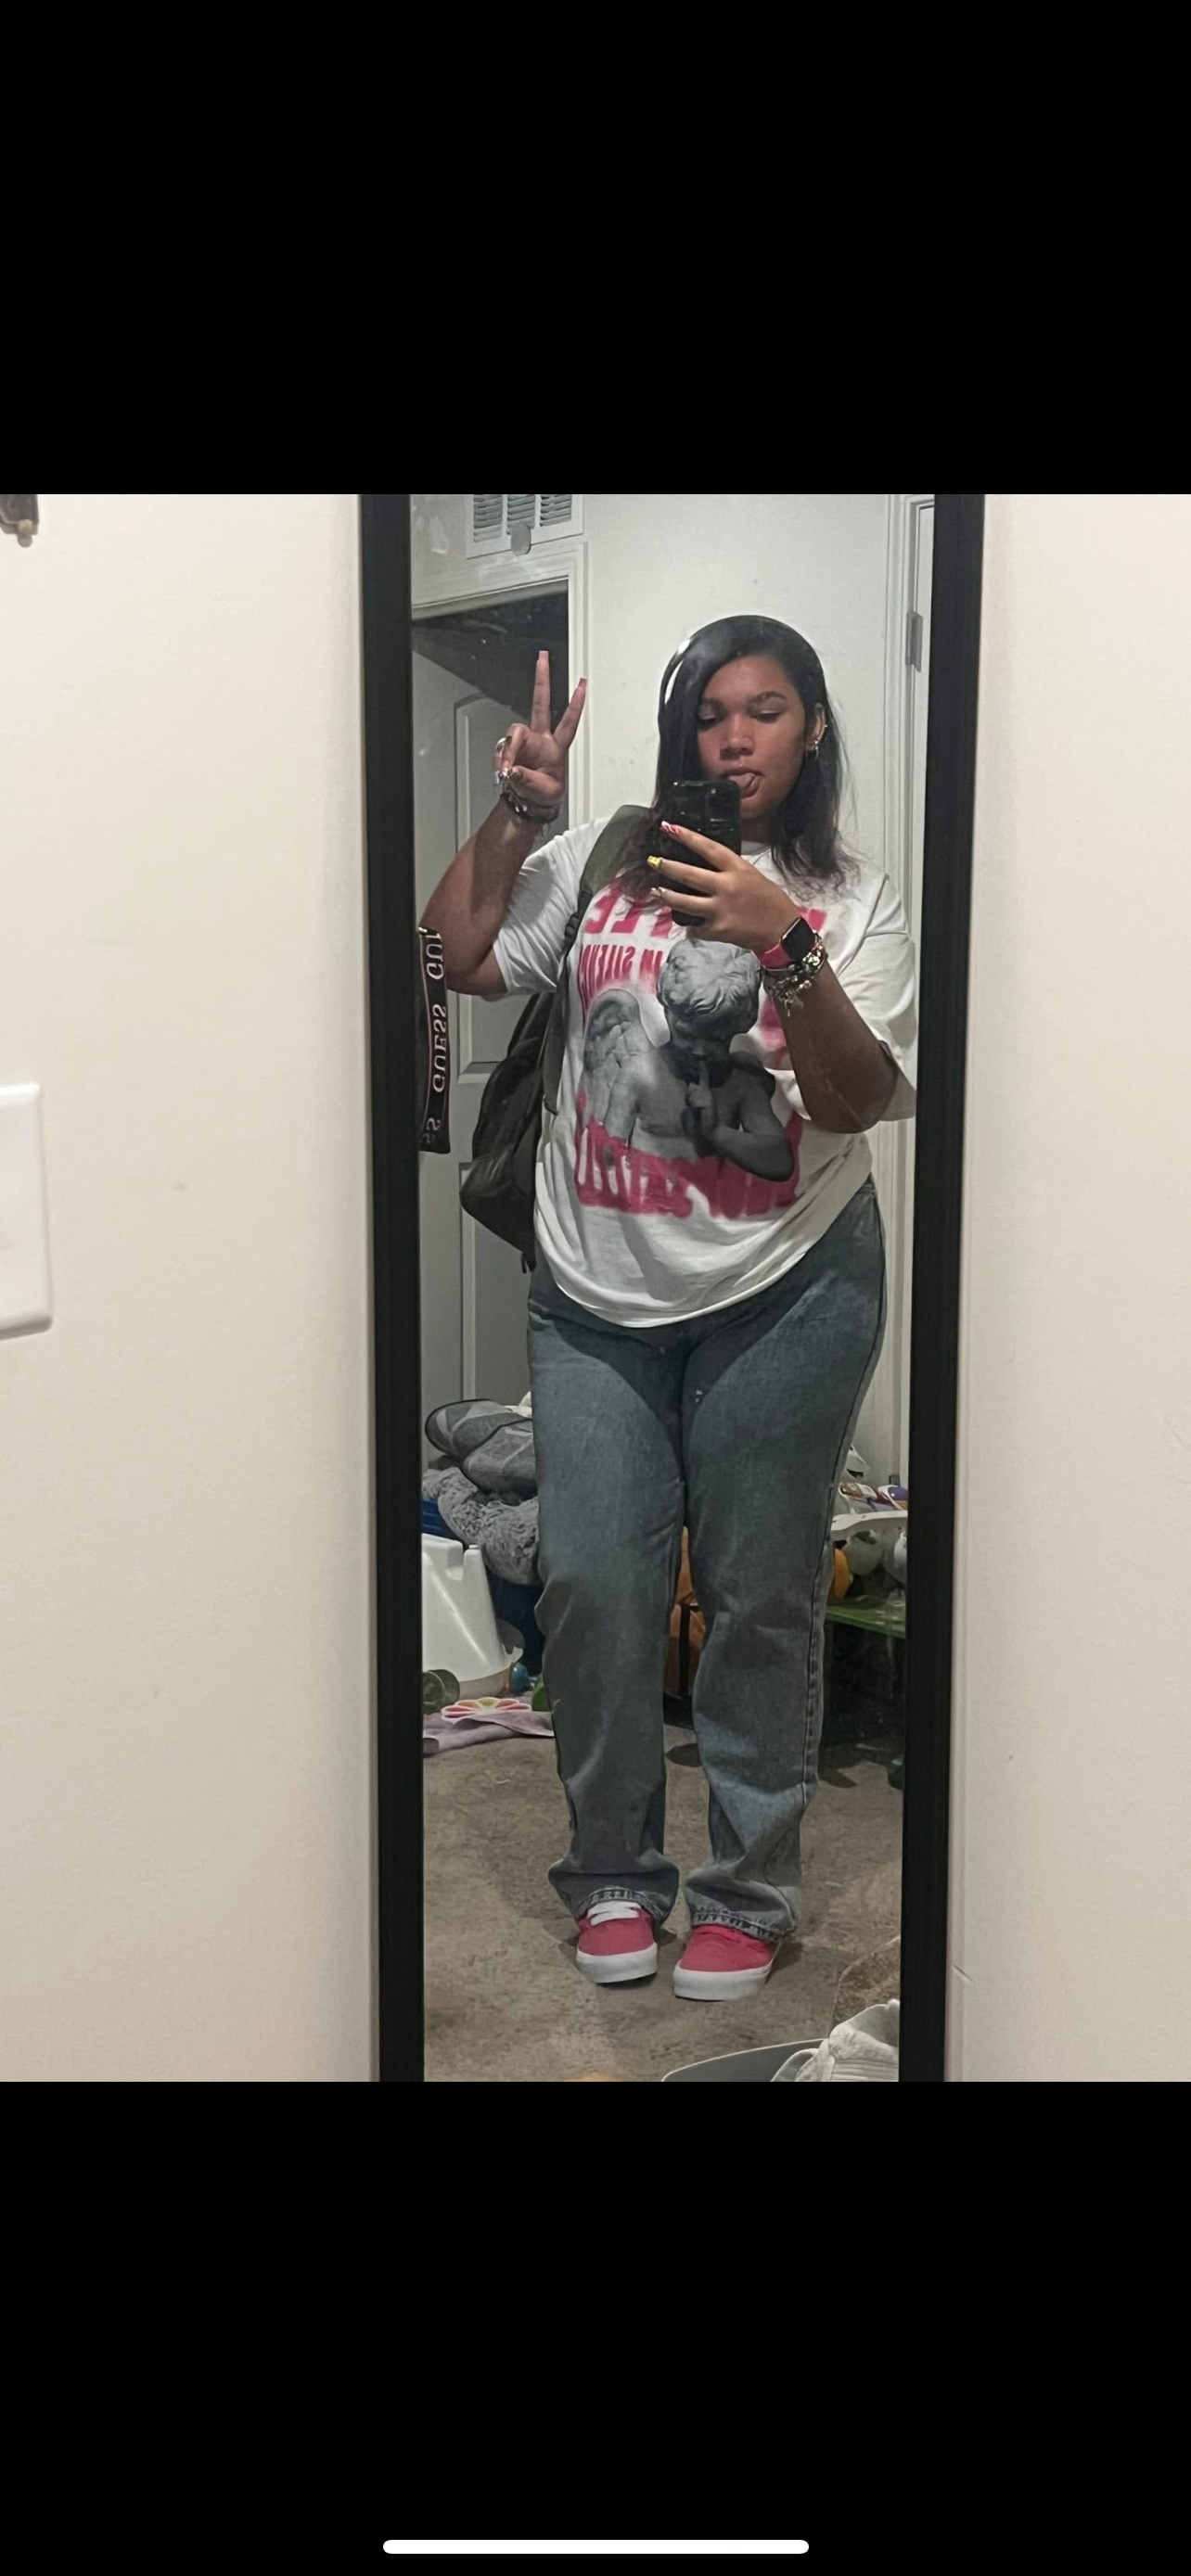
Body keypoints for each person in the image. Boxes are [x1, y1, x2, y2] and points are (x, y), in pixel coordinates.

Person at [424, 616, 916, 1999]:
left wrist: (784, 942)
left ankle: (748, 1891)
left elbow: (854, 1102)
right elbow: (451, 954)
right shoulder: (605, 858)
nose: (734, 739)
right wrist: (521, 812)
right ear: (676, 732)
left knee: (761, 1597)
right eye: (708, 714)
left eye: (765, 711)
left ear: (814, 728)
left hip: (789, 1289)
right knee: (594, 1586)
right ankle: (614, 1874)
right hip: (596, 1294)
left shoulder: (852, 899)